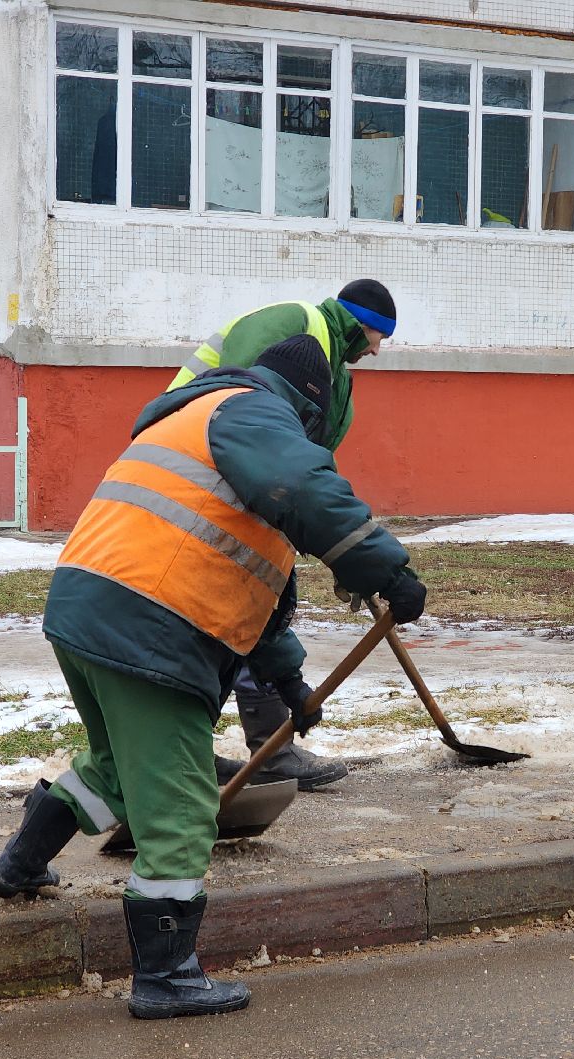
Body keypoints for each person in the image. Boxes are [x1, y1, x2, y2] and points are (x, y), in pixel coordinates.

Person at [0, 336, 427, 1020]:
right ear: (310, 403)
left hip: (88, 605)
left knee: (113, 766)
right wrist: (385, 568)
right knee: (182, 809)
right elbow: (307, 488)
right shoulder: (253, 414)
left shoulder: (208, 431)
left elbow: (260, 586)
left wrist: (290, 687)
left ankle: (20, 863)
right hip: (150, 622)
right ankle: (165, 976)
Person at [168, 279, 398, 792]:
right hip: (201, 468)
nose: (378, 351)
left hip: (248, 481)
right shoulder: (293, 327)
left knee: (258, 600)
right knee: (213, 609)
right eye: (379, 337)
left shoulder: (334, 373)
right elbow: (241, 405)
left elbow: (311, 464)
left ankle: (258, 747)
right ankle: (190, 755)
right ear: (362, 327)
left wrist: (346, 546)